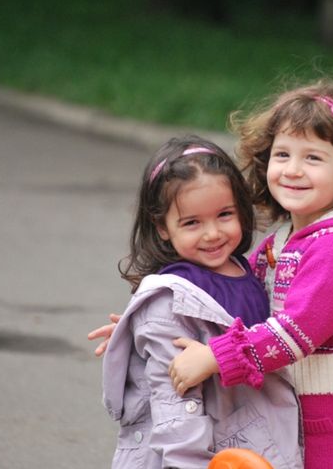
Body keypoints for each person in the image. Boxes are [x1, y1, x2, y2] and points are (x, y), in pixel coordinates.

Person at [166, 79, 333, 469]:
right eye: (282, 154)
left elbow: (296, 330)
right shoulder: (279, 244)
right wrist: (154, 316)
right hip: (300, 422)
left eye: (313, 158)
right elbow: (231, 299)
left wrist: (216, 356)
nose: (293, 170)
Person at [97, 135, 302, 469]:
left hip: (251, 442)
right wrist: (191, 463)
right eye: (192, 222)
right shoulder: (169, 302)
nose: (212, 234)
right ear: (162, 227)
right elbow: (174, 403)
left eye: (224, 214)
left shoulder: (245, 270)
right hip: (200, 455)